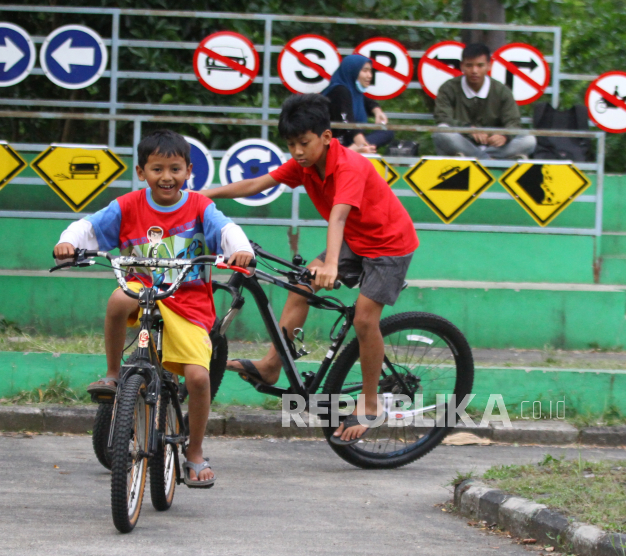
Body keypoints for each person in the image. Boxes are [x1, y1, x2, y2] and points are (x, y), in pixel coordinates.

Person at [201, 94, 418, 445]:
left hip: (389, 244)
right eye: (290, 145)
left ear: (327, 137)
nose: (297, 152)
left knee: (364, 319)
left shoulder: (349, 166)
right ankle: (272, 365)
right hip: (356, 239)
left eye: (304, 143)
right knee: (300, 285)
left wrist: (331, 264)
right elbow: (257, 184)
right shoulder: (303, 166)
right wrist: (202, 195)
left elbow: (338, 215)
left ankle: (372, 402)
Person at [53, 130, 254, 487]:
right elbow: (89, 226)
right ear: (141, 171)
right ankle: (114, 375)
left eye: (175, 168)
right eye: (157, 168)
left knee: (197, 378)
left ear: (189, 171)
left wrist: (240, 250)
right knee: (118, 299)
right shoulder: (128, 205)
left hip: (188, 298)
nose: (166, 176)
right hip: (142, 285)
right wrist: (68, 242)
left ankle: (194, 453)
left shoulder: (199, 207)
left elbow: (227, 230)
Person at [433, 43, 536, 159]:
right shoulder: (448, 88)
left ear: (489, 66)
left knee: (529, 140)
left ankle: (477, 159)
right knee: (441, 132)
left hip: (494, 146)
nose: (474, 71)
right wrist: (467, 129)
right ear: (462, 66)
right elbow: (443, 117)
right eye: (469, 65)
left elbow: (513, 121)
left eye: (480, 65)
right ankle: (488, 160)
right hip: (464, 144)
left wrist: (504, 136)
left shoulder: (501, 91)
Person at [323, 54, 394, 153]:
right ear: (352, 71)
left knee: (386, 131)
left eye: (370, 71)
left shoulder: (353, 91)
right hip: (338, 140)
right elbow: (347, 122)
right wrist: (361, 144)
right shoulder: (339, 91)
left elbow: (368, 102)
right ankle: (350, 151)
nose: (369, 75)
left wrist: (377, 112)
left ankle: (358, 149)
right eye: (365, 71)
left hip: (352, 139)